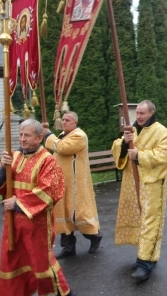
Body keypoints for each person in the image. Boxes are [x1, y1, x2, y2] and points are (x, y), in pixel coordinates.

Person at [0, 119, 75, 296]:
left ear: (39, 137)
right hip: (13, 224)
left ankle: (63, 293)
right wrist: (3, 168)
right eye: (20, 134)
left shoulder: (48, 161)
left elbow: (49, 193)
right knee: (13, 261)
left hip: (37, 225)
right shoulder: (14, 156)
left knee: (41, 263)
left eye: (27, 135)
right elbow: (3, 185)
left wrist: (17, 203)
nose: (22, 139)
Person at [111, 100, 167, 283]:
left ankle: (144, 264)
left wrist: (139, 155)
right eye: (137, 113)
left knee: (150, 220)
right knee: (139, 219)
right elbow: (117, 147)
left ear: (152, 113)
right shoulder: (132, 130)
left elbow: (165, 156)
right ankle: (147, 256)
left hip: (151, 184)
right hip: (132, 183)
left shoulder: (162, 132)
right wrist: (124, 143)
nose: (138, 117)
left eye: (142, 113)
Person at [43, 111, 102, 259]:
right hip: (62, 181)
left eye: (67, 120)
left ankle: (94, 236)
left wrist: (47, 134)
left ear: (75, 122)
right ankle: (68, 247)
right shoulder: (64, 134)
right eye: (63, 120)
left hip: (76, 183)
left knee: (78, 213)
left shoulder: (79, 136)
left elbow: (62, 148)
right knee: (62, 213)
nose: (64, 122)